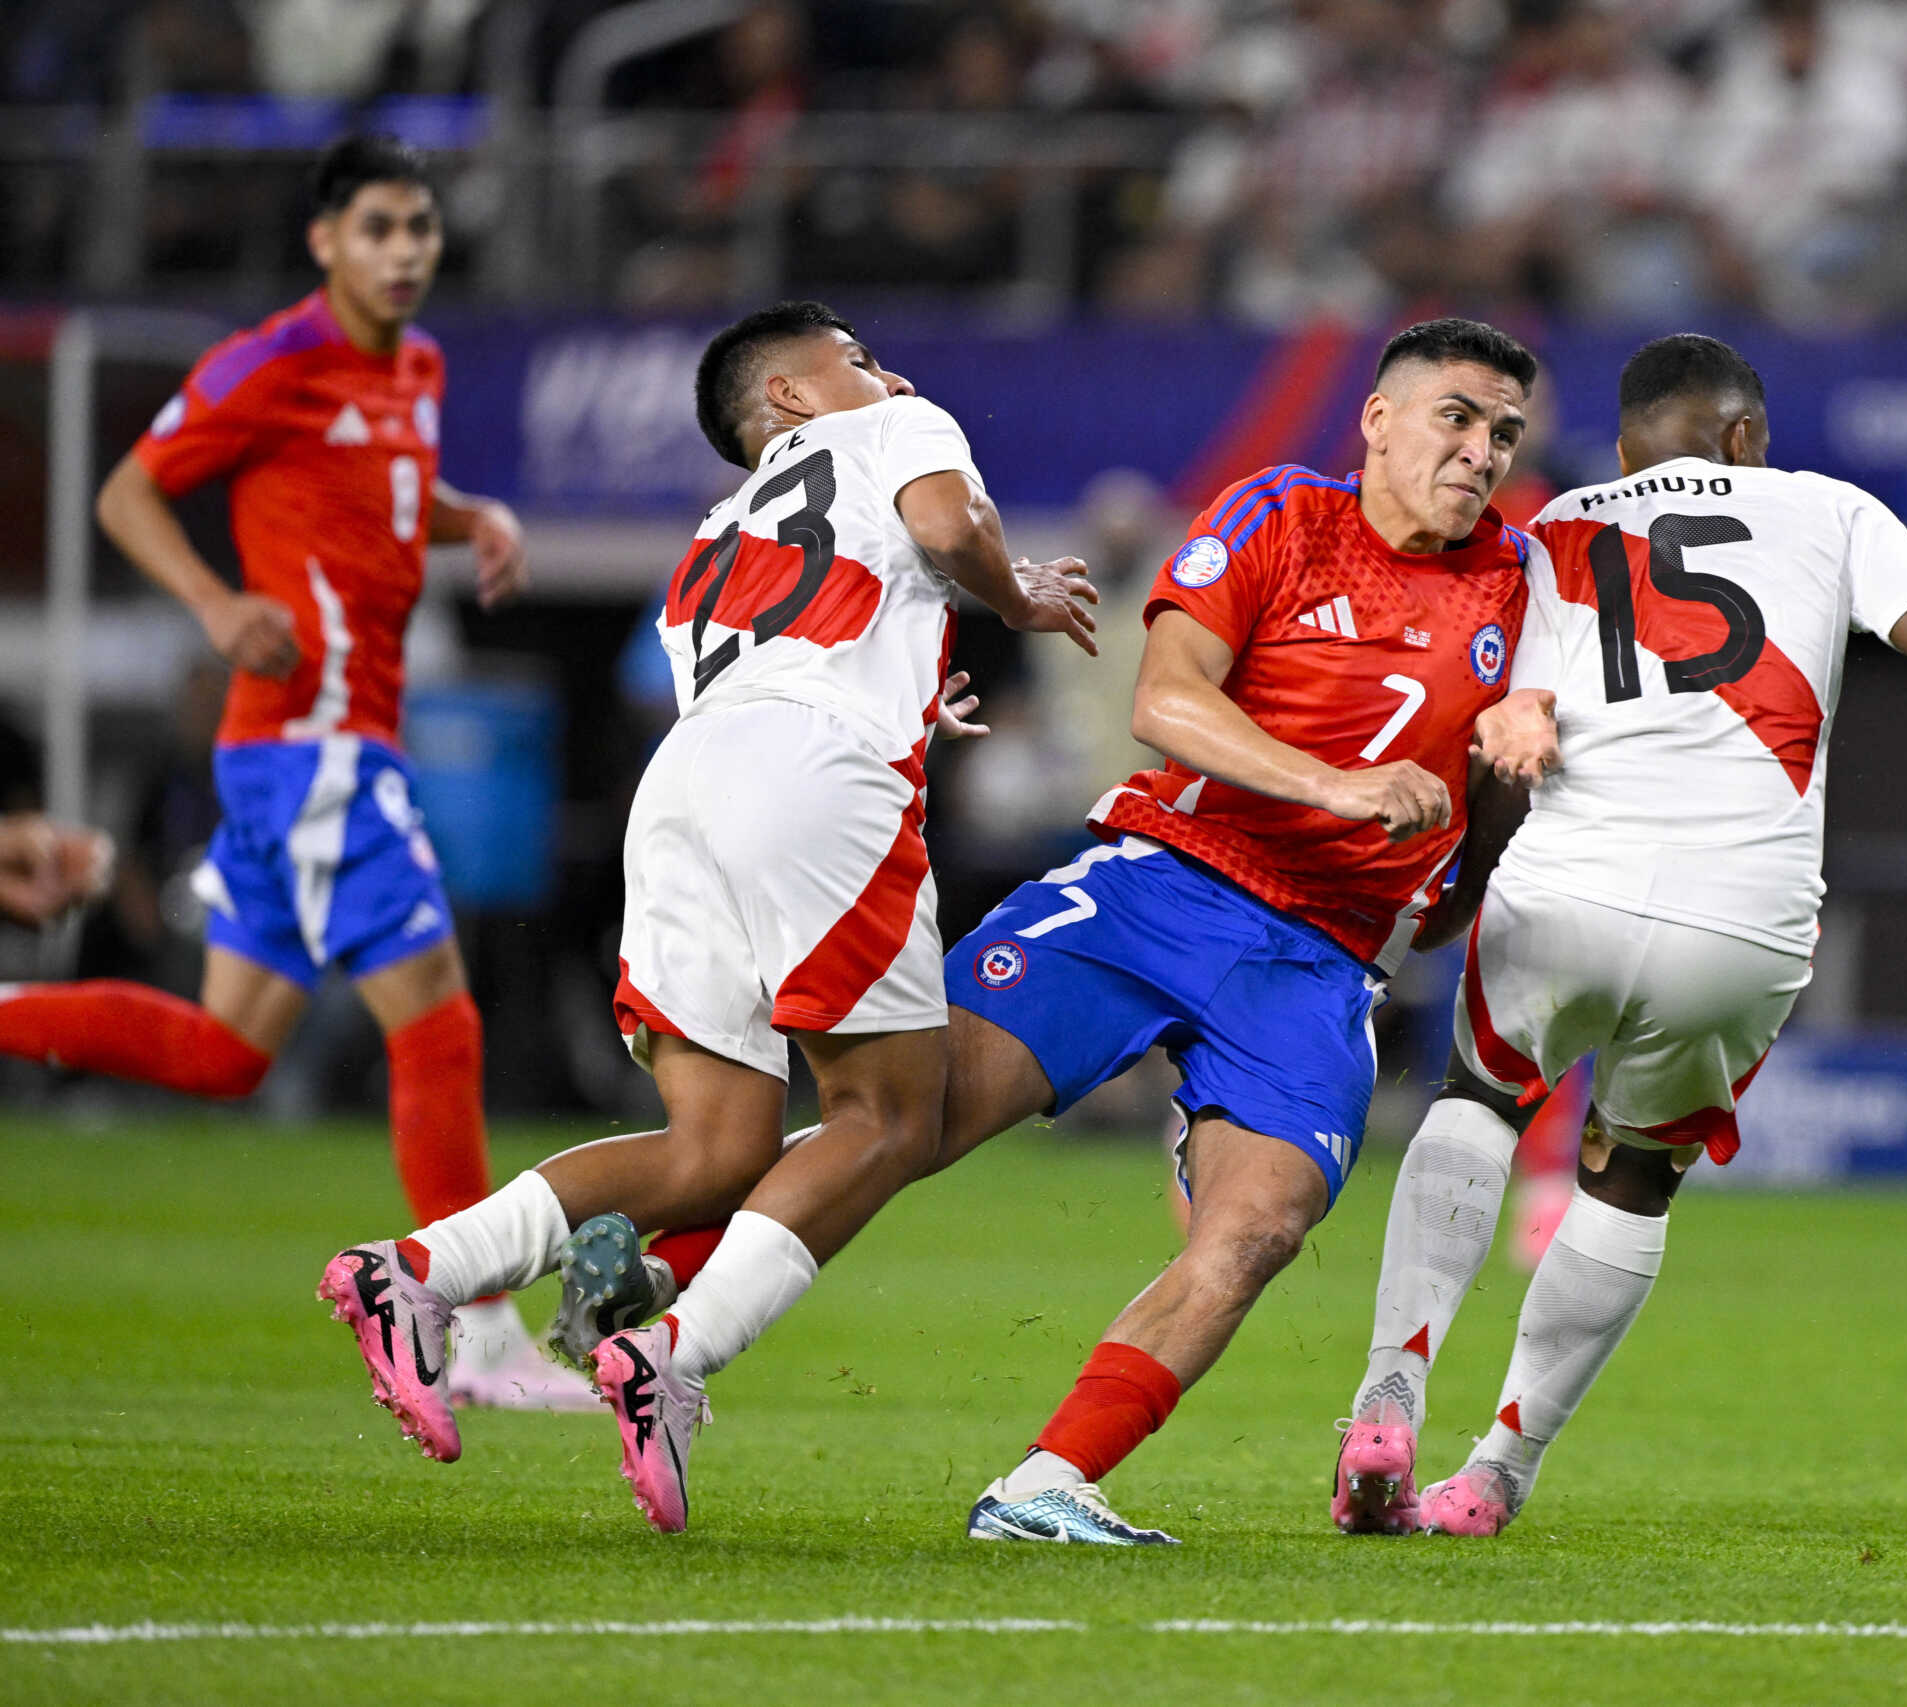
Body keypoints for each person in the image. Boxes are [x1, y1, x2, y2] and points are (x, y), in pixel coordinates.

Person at [545, 317, 1544, 1542]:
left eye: (1503, 430)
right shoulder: (1280, 512)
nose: (1481, 450)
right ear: (1378, 419)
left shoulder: (1522, 582)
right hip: (1151, 889)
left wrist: (1469, 870)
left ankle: (1043, 1486)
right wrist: (1336, 785)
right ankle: (671, 1289)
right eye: (1456, 415)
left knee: (1257, 1232)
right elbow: (1166, 699)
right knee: (908, 1120)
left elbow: (1511, 762)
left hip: (1321, 961)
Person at [1336, 332, 1907, 1537]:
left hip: (1571, 882)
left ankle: (1389, 1397)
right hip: (1744, 914)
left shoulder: (1556, 522)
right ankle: (1495, 1472)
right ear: (1745, 439)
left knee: (1477, 1101)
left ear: (1622, 452)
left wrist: (1458, 884)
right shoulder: (1825, 508)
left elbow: (1512, 727)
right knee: (1634, 1174)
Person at [317, 303, 1099, 1498]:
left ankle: (420, 1266)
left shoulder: (713, 537)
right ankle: (674, 1354)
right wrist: (1018, 594)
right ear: (788, 394)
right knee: (888, 1115)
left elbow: (800, 651)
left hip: (684, 783)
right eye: (854, 357)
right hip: (814, 778)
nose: (884, 371)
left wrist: (907, 693)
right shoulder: (902, 426)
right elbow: (948, 526)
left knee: (712, 1147)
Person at [0, 134, 587, 1408]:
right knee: (440, 1016)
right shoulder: (273, 361)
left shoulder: (413, 367)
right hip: (314, 739)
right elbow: (126, 495)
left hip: (302, 753)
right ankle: (479, 1331)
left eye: (420, 230)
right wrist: (215, 604)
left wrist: (471, 516)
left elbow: (386, 492)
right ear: (326, 241)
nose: (404, 253)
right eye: (378, 229)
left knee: (227, 1050)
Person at [0, 815, 113, 929]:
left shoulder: (46, 900)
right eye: (80, 842)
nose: (74, 849)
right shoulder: (43, 834)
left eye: (81, 859)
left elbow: (8, 894)